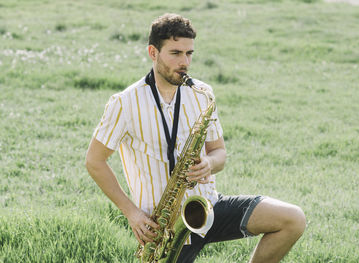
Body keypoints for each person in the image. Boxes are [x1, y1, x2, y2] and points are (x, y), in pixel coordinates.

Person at [85, 13, 306, 263]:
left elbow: (220, 154)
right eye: (176, 53)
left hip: (208, 207)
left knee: (292, 219)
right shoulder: (125, 103)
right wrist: (132, 214)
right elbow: (94, 161)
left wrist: (209, 164)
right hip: (165, 228)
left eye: (189, 53)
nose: (185, 62)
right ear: (153, 52)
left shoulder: (202, 94)